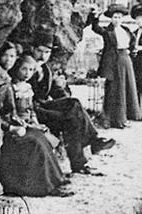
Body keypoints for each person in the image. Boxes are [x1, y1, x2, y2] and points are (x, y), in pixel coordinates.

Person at [28, 30, 113, 175]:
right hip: (33, 111)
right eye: (39, 51)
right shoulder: (26, 66)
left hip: (44, 107)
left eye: (47, 52)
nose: (43, 56)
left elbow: (56, 91)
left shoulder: (46, 69)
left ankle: (80, 163)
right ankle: (92, 143)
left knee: (72, 114)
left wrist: (65, 98)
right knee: (72, 113)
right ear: (32, 49)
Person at [0, 49, 72, 197]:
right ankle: (46, 186)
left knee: (41, 137)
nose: (27, 73)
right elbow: (2, 114)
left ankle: (56, 178)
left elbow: (29, 110)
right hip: (9, 128)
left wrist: (35, 123)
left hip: (23, 124)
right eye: (24, 69)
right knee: (35, 141)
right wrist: (14, 127)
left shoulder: (25, 87)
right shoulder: (8, 86)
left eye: (31, 70)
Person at [88, 4, 142, 128]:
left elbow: (133, 42)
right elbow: (95, 28)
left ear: (122, 18)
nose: (117, 19)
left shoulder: (126, 30)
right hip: (113, 62)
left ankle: (125, 118)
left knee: (126, 89)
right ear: (111, 19)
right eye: (114, 17)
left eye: (119, 17)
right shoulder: (108, 31)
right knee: (115, 90)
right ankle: (113, 120)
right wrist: (95, 17)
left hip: (126, 60)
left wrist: (132, 50)